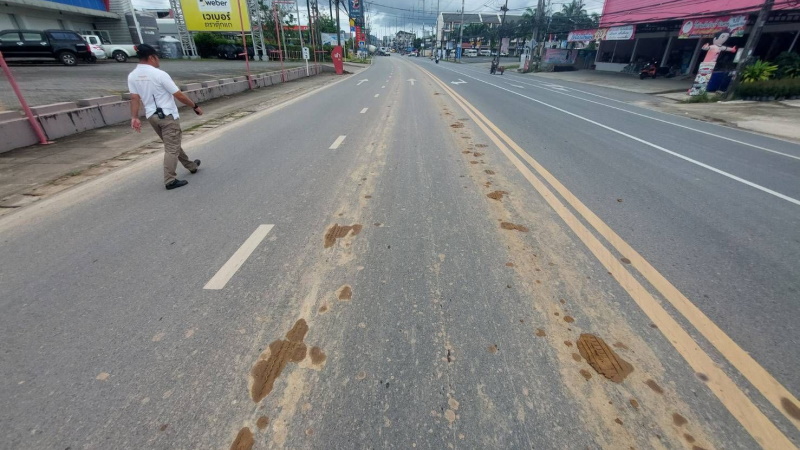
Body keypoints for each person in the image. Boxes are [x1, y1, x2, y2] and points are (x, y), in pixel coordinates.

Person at [128, 44, 203, 190]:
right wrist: (194, 106)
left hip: (152, 117)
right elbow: (178, 94)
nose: (158, 61)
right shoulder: (159, 74)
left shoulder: (133, 75)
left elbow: (134, 98)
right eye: (157, 57)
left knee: (172, 144)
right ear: (151, 57)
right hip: (167, 116)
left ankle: (191, 166)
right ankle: (170, 180)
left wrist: (134, 117)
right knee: (171, 148)